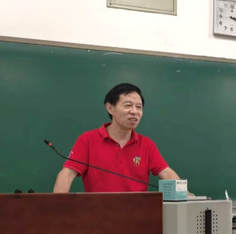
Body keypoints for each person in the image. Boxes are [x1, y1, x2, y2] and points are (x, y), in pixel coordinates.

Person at [53, 83, 185, 193]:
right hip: (97, 213)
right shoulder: (87, 139)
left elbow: (166, 172)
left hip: (139, 213)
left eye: (139, 107)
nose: (134, 111)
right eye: (128, 105)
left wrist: (185, 194)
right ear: (110, 108)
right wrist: (57, 204)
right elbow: (67, 174)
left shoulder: (147, 144)